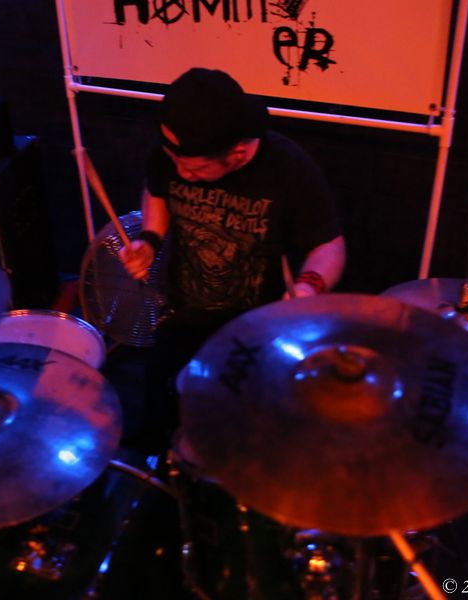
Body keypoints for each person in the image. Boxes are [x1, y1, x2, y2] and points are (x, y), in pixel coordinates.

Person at [119, 68, 346, 452]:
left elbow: (330, 245)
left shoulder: (288, 169)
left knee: (238, 438)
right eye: (174, 160)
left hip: (255, 331)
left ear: (237, 153)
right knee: (158, 423)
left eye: (194, 168)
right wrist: (150, 239)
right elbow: (156, 190)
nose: (180, 172)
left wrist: (309, 287)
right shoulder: (172, 152)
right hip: (183, 316)